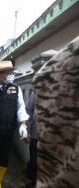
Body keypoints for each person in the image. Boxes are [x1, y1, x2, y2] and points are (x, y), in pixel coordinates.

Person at [32, 36, 79, 187]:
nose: (8, 75)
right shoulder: (51, 76)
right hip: (39, 133)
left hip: (53, 138)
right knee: (35, 159)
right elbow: (28, 109)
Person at [25, 91, 37, 188]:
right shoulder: (38, 90)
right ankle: (32, 181)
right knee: (34, 160)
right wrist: (28, 130)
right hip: (36, 134)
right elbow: (28, 110)